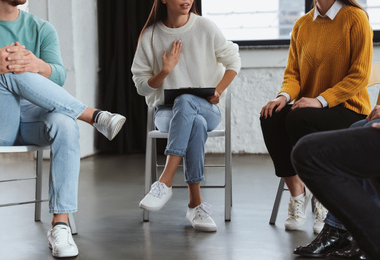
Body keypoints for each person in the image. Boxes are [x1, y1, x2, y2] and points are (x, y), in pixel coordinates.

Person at [0, 0, 126, 257]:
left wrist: (38, 66)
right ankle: (94, 116)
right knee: (8, 65)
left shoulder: (42, 28)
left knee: (65, 122)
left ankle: (60, 225)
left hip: (33, 120)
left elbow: (58, 75)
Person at [259, 0, 372, 234]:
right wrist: (283, 96)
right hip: (309, 109)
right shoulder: (302, 24)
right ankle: (298, 194)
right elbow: (293, 74)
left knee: (298, 119)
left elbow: (359, 76)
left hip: (348, 109)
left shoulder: (355, 18)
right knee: (270, 115)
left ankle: (323, 200)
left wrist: (320, 100)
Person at [131, 0, 240, 232]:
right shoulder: (150, 35)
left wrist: (219, 89)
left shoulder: (206, 27)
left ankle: (165, 181)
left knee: (188, 104)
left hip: (207, 108)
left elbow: (233, 61)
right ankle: (195, 206)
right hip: (166, 113)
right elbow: (141, 86)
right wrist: (165, 71)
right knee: (195, 123)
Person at [291, 106, 380, 260]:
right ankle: (337, 230)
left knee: (310, 154)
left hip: (347, 105)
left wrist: (320, 100)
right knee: (356, 127)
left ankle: (360, 238)